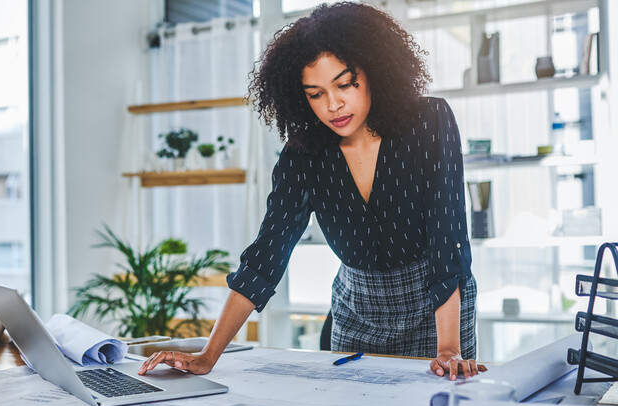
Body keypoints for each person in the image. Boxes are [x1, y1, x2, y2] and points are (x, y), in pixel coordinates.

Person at [139, 2, 485, 380]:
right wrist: (207, 356)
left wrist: (449, 348)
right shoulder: (303, 153)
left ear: (375, 71)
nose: (333, 105)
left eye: (344, 84)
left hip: (437, 312)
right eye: (315, 93)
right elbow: (266, 256)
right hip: (356, 312)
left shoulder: (430, 121)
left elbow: (447, 241)